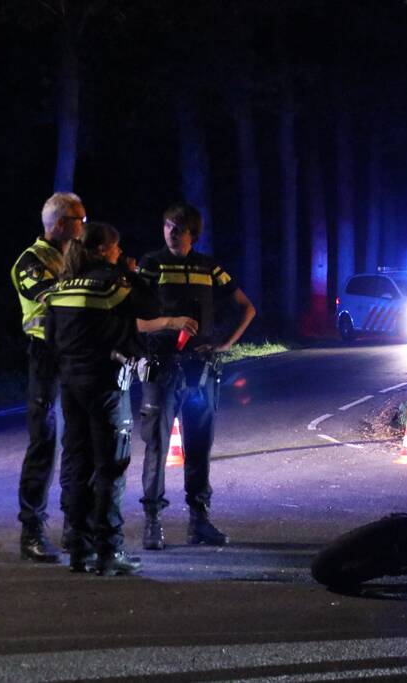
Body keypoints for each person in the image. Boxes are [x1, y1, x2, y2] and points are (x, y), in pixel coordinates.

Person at [45, 222, 197, 576]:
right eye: (115, 247)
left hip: (70, 386)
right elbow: (150, 305)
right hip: (107, 385)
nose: (119, 252)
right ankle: (109, 550)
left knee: (78, 464)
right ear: (102, 250)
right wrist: (129, 273)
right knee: (111, 466)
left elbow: (51, 338)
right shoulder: (113, 284)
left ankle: (79, 549)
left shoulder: (61, 287)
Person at [137, 202, 255, 549]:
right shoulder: (151, 265)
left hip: (200, 369)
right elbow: (133, 316)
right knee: (157, 445)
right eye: (167, 226)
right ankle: (152, 523)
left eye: (179, 228)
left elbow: (247, 308)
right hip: (161, 366)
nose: (172, 233)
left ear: (193, 234)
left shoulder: (209, 267)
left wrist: (224, 344)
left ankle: (199, 521)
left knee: (200, 446)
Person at [10, 192, 85, 562]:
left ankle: (74, 526)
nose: (83, 226)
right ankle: (32, 531)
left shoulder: (77, 255)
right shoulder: (30, 260)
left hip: (76, 354)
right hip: (45, 354)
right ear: (58, 224)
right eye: (78, 220)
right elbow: (52, 296)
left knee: (78, 441)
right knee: (44, 440)